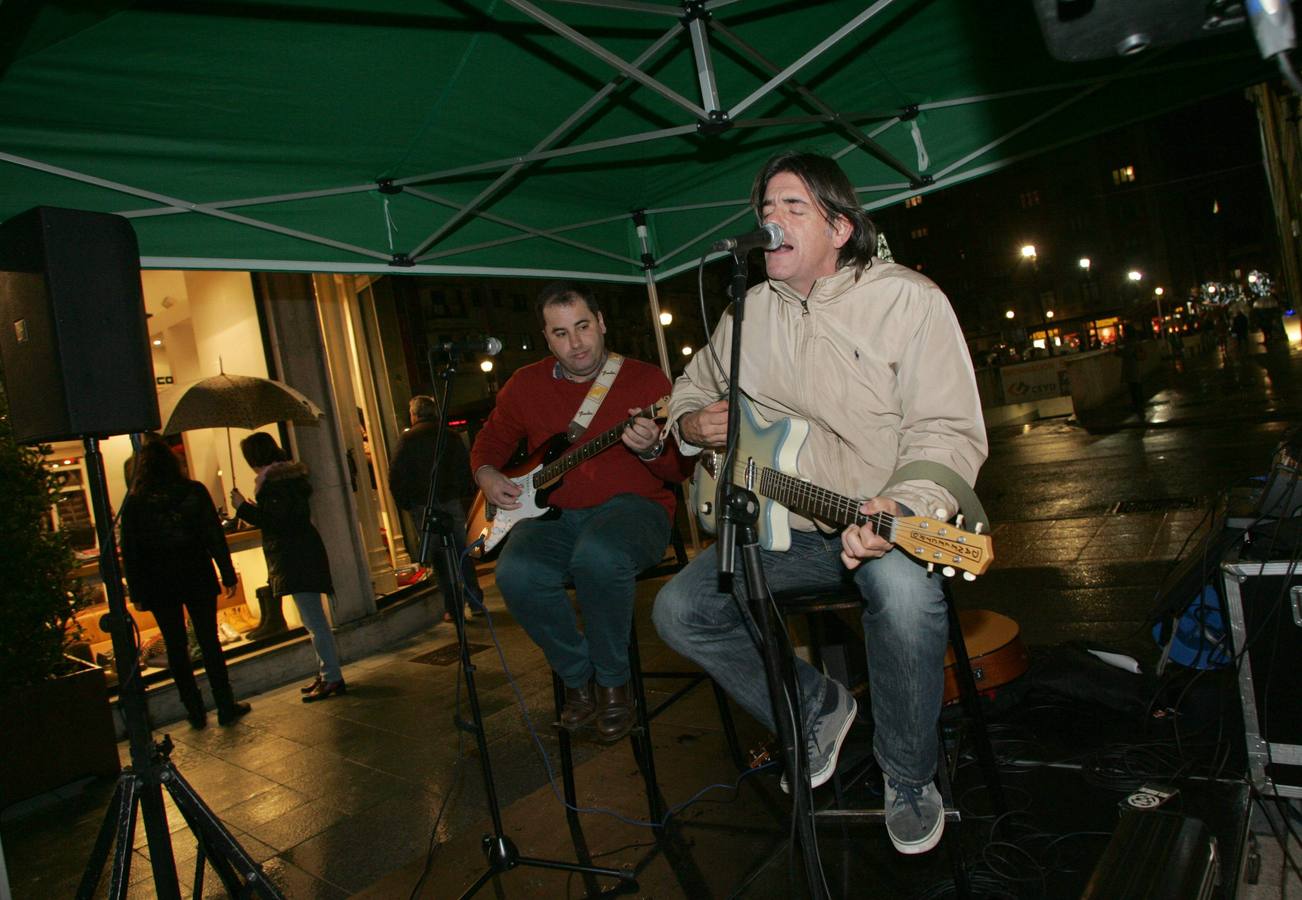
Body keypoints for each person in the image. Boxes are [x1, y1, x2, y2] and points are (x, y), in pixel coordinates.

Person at [653, 151, 987, 855]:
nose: (771, 222)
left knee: (901, 595)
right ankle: (815, 707)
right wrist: (690, 424)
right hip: (789, 526)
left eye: (792, 207)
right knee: (679, 610)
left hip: (885, 521)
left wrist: (901, 505)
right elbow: (689, 386)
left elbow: (948, 428)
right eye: (765, 212)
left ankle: (907, 773)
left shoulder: (907, 300)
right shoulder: (748, 315)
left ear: (840, 226)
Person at [470, 281, 690, 742]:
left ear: (601, 323)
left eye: (584, 326)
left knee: (599, 555)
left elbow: (680, 466)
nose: (577, 343)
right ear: (547, 339)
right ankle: (577, 678)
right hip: (554, 516)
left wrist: (651, 451)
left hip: (638, 510)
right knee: (515, 573)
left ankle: (613, 682)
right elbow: (489, 444)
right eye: (562, 333)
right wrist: (487, 473)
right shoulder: (524, 386)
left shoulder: (648, 382)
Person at [120, 435, 251, 728]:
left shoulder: (135, 504)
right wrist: (227, 573)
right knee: (208, 641)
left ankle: (194, 710)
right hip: (195, 574)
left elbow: (131, 553)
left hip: (158, 583)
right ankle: (225, 704)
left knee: (176, 647)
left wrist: (137, 592)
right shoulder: (193, 492)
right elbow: (213, 536)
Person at [231, 432, 346, 703]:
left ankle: (332, 676)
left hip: (295, 557)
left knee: (314, 621)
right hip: (302, 552)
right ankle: (326, 672)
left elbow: (277, 522)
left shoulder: (274, 485)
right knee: (312, 620)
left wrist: (242, 508)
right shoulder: (285, 481)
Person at [389, 395, 483, 622]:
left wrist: (407, 503)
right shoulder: (449, 435)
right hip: (449, 500)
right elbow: (464, 466)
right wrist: (460, 491)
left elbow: (396, 475)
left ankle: (453, 606)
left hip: (424, 504)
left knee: (439, 557)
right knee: (461, 551)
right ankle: (476, 600)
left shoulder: (408, 440)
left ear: (414, 414)